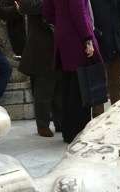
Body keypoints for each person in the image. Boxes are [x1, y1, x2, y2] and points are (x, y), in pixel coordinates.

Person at [43, 0, 102, 143]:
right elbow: (78, 12)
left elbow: (47, 11)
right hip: (77, 38)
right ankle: (78, 131)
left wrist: (61, 20)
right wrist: (87, 38)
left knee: (68, 86)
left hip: (62, 36)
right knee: (79, 89)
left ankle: (68, 132)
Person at [16, 0, 63, 137]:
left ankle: (61, 122)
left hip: (59, 40)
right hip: (41, 44)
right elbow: (24, 6)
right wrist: (51, 5)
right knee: (44, 88)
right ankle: (43, 124)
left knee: (60, 85)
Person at [91, 0, 120, 115]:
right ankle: (97, 121)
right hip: (98, 42)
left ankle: (118, 116)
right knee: (98, 86)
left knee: (116, 85)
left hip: (116, 42)